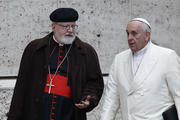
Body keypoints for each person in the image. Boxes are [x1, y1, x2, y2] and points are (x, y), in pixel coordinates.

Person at [7, 8, 104, 120]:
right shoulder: (34, 49)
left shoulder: (86, 52)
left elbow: (95, 82)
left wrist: (89, 99)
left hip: (68, 113)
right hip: (36, 113)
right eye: (65, 27)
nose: (70, 30)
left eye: (73, 26)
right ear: (53, 27)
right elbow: (21, 86)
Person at [100, 18, 180, 120]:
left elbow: (178, 95)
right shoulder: (119, 59)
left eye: (134, 33)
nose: (129, 38)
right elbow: (110, 100)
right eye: (127, 33)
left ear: (147, 35)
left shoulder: (167, 56)